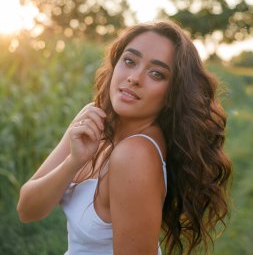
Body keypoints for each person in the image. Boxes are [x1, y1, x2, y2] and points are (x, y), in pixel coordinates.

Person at [17, 20, 232, 255]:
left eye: (156, 74)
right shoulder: (93, 117)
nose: (135, 78)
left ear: (172, 93)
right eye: (130, 61)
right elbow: (27, 210)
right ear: (115, 64)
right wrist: (73, 162)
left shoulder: (135, 154)